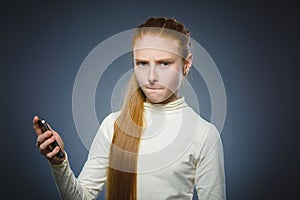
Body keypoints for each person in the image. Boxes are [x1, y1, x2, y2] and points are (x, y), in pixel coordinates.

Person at [33, 17, 227, 200]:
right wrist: (59, 163)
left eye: (164, 63)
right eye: (142, 63)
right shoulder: (113, 125)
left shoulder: (204, 135)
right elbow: (81, 196)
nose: (151, 76)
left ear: (186, 64)